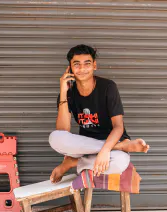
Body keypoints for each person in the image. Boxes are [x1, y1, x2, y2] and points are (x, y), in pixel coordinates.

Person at [48, 44, 149, 183]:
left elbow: (118, 126)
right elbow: (63, 131)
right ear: (70, 68)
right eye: (76, 64)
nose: (82, 69)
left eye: (87, 63)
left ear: (94, 65)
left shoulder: (108, 87)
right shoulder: (68, 94)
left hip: (111, 141)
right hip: (86, 147)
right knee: (54, 138)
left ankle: (72, 162)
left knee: (120, 162)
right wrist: (64, 92)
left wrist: (107, 149)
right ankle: (121, 146)